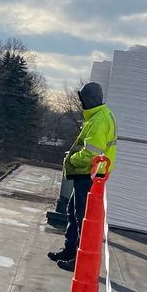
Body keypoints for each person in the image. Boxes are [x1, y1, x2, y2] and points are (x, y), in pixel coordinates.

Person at [47, 82, 117, 272]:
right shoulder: (100, 116)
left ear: (89, 100)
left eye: (83, 100)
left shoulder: (99, 120)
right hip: (90, 174)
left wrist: (73, 161)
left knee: (81, 216)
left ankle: (78, 258)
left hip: (90, 174)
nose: (81, 104)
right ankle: (70, 251)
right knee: (73, 211)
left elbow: (90, 153)